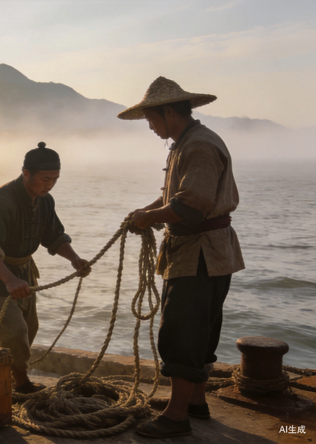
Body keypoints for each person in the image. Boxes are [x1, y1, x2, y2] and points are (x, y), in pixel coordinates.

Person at [119, 77, 244, 439]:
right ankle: (194, 402)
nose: (150, 126)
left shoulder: (200, 146)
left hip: (200, 254)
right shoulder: (184, 144)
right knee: (200, 330)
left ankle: (176, 417)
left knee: (182, 332)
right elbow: (174, 196)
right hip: (204, 253)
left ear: (169, 112)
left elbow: (192, 205)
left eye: (151, 120)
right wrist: (146, 211)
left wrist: (148, 219)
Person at [0, 142, 91, 394]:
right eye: (45, 179)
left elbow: (54, 236)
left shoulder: (45, 200)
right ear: (26, 174)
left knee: (30, 327)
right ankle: (20, 384)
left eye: (55, 179)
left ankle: (7, 374)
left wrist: (75, 259)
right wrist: (9, 280)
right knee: (13, 330)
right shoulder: (0, 201)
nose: (50, 184)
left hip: (24, 272)